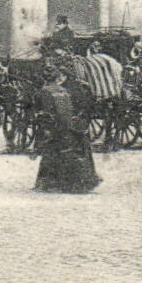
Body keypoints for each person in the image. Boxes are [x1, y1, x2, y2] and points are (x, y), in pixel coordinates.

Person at [32, 61, 101, 194]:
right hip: (70, 127)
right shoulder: (64, 90)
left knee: (51, 150)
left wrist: (43, 131)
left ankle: (50, 182)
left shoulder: (42, 92)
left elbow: (43, 114)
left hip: (55, 128)